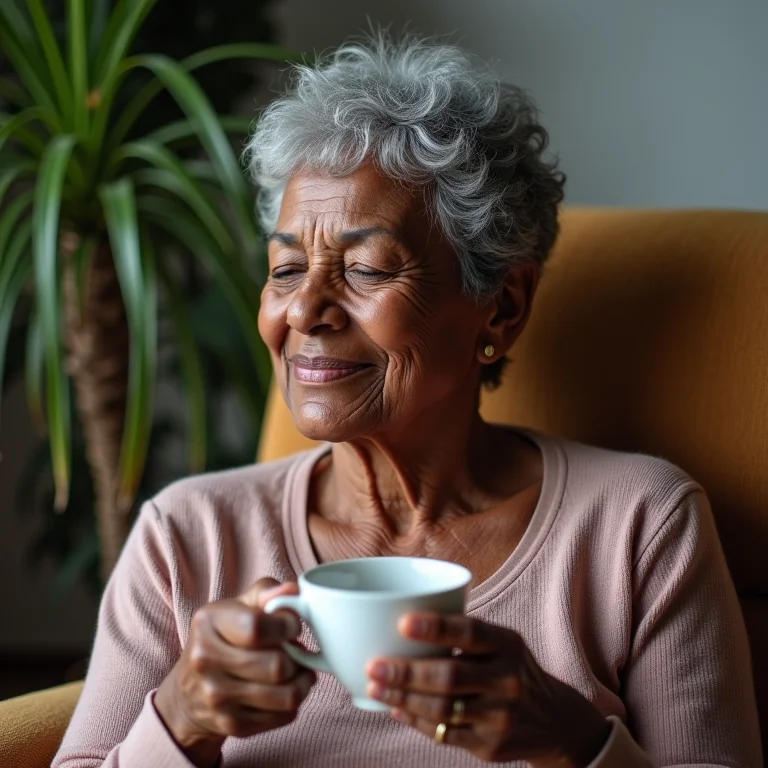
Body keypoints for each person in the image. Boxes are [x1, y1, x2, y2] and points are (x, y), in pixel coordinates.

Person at [53, 32, 762, 768]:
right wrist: (181, 718)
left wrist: (568, 736)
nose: (304, 312)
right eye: (288, 268)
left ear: (502, 306)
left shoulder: (638, 527)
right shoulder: (188, 537)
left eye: (364, 270)